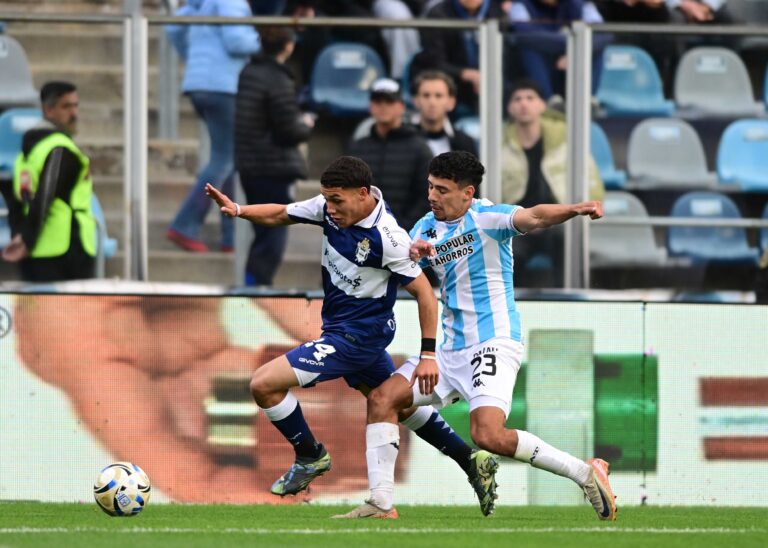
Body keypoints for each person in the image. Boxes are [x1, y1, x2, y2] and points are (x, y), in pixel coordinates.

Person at [206, 155, 500, 515]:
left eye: (337, 201)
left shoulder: (389, 238)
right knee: (395, 403)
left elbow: (425, 294)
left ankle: (310, 455)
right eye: (327, 200)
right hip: (342, 329)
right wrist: (239, 210)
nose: (329, 208)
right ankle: (469, 459)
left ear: (363, 194)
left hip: (358, 337)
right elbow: (282, 213)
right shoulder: (330, 208)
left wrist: (427, 354)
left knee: (263, 383)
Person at [335, 151, 615, 520]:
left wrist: (574, 210)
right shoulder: (423, 229)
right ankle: (381, 503)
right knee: (383, 400)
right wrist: (411, 254)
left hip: (493, 342)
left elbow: (535, 216)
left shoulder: (488, 218)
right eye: (430, 187)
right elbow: (403, 261)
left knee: (488, 436)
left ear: (467, 193)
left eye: (443, 190)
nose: (433, 196)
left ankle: (585, 473)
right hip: (448, 351)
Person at [165, 0, 261, 253]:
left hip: (198, 84)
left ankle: (229, 237)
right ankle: (184, 225)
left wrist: (194, 58)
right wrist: (263, 38)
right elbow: (237, 41)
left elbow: (173, 29)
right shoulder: (231, 2)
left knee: (226, 160)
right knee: (224, 159)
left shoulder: (198, 4)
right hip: (224, 86)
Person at [501, 78, 604, 287]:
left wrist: (592, 205)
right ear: (509, 108)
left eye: (530, 98)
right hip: (519, 221)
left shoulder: (566, 139)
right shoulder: (499, 144)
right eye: (517, 99)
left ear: (542, 105)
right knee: (509, 253)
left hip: (559, 220)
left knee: (565, 242)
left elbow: (590, 177)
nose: (524, 103)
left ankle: (569, 300)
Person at [235, 26, 313, 286]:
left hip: (250, 166)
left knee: (261, 232)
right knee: (272, 235)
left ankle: (252, 287)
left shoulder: (249, 72)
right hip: (274, 168)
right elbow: (288, 129)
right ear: (288, 46)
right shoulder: (277, 79)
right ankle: (257, 292)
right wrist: (306, 125)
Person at [0, 81, 97, 282]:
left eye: (76, 105)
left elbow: (15, 197)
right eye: (66, 106)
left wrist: (19, 235)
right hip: (66, 250)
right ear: (48, 109)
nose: (74, 113)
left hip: (35, 252)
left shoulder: (27, 152)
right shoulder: (60, 149)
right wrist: (26, 239)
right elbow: (45, 196)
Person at [347, 79, 434, 232]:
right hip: (363, 233)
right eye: (378, 101)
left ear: (401, 106)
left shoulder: (419, 148)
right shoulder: (358, 147)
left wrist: (402, 229)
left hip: (405, 236)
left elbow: (425, 196)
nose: (383, 106)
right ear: (370, 106)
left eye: (389, 101)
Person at [508, 0, 609, 101]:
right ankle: (547, 100)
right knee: (529, 49)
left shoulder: (581, 5)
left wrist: (574, 54)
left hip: (572, 60)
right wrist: (571, 44)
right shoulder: (520, 4)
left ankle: (587, 100)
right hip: (542, 61)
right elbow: (524, 34)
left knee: (595, 49)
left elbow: (603, 34)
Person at [411, 70, 477, 157]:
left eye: (438, 96)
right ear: (415, 101)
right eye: (426, 95)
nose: (432, 102)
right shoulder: (401, 139)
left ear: (451, 102)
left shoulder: (465, 143)